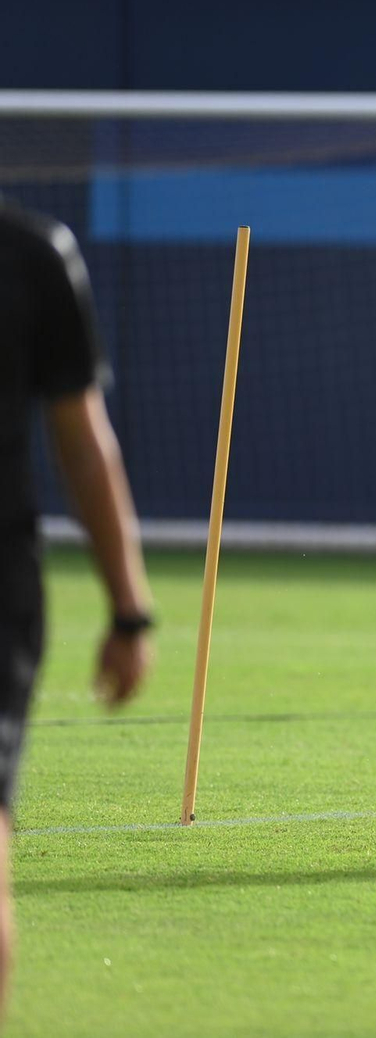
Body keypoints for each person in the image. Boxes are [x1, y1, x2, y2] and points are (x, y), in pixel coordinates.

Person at [0, 200, 154, 1012]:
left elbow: (83, 439)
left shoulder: (33, 258)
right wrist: (129, 613)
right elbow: (83, 442)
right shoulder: (34, 255)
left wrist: (129, 609)